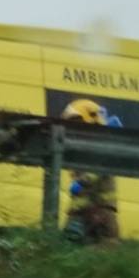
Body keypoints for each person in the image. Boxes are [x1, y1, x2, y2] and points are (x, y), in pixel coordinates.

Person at [60, 99, 120, 244]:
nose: (73, 127)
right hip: (80, 212)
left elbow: (97, 169)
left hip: (100, 211)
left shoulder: (101, 143)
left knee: (104, 252)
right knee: (69, 253)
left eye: (77, 121)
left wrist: (81, 182)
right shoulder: (82, 143)